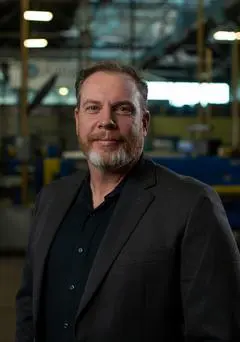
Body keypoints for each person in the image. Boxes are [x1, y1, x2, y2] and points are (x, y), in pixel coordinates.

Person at [16, 61, 240, 342]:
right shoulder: (51, 199)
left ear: (143, 123)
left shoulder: (191, 205)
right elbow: (29, 304)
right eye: (93, 108)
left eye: (122, 109)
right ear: (77, 119)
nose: (105, 121)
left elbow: (215, 331)